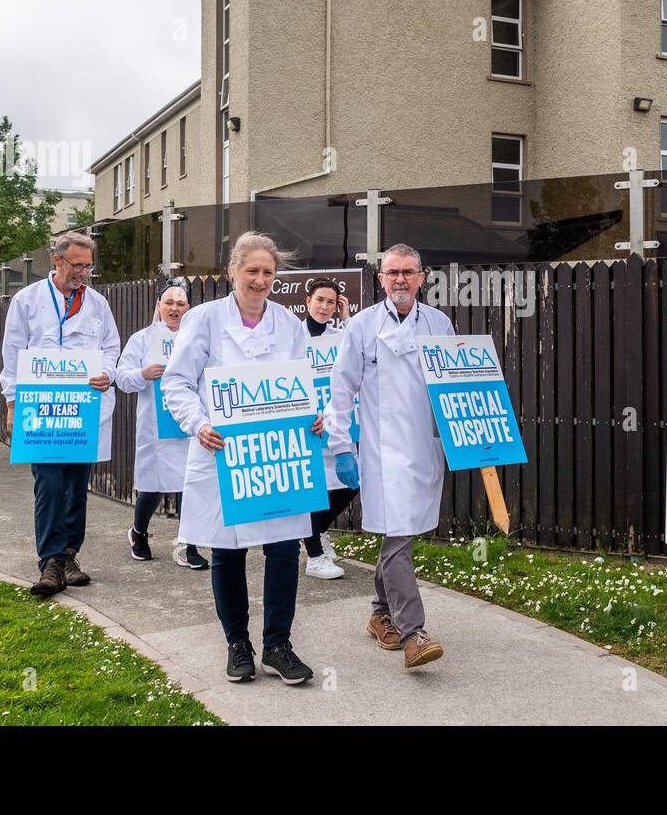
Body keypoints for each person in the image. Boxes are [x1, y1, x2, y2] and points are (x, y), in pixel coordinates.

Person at [160, 232, 323, 685]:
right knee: (226, 550)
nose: (260, 280)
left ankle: (278, 644)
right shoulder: (204, 319)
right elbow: (176, 383)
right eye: (251, 270)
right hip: (222, 453)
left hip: (276, 456)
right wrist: (198, 423)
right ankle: (238, 644)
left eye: (268, 272)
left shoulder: (289, 326)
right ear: (233, 271)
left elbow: (301, 385)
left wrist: (313, 417)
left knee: (284, 547)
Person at [327, 243, 452, 669]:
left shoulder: (439, 323)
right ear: (380, 278)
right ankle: (414, 632)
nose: (400, 279)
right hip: (381, 454)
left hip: (423, 449)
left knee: (402, 534)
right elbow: (339, 391)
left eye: (408, 272)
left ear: (422, 277)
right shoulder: (360, 327)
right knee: (398, 535)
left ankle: (381, 612)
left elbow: (456, 383)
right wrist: (342, 447)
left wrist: (461, 437)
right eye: (392, 272)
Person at [0, 230, 120, 597]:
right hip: (40, 410)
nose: (83, 272)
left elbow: (112, 347)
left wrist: (108, 373)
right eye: (77, 265)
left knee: (76, 487)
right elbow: (12, 354)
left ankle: (69, 555)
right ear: (58, 261)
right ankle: (50, 561)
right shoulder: (27, 300)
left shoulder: (97, 303)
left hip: (83, 409)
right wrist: (11, 403)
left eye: (88, 266)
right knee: (48, 484)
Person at [115, 282, 207, 569]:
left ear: (188, 308)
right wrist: (143, 373)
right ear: (158, 306)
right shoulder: (143, 339)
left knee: (189, 485)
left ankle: (187, 546)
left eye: (180, 303)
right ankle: (138, 533)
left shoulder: (197, 337)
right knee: (152, 487)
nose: (174, 308)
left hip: (189, 422)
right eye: (169, 302)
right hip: (156, 426)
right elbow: (122, 377)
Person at [301, 277, 356, 580]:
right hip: (308, 422)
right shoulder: (294, 336)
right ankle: (314, 556)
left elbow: (361, 352)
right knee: (314, 490)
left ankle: (318, 530)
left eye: (331, 302)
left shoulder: (341, 335)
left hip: (338, 420)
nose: (325, 307)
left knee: (351, 482)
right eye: (320, 300)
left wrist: (347, 319)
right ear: (308, 300)